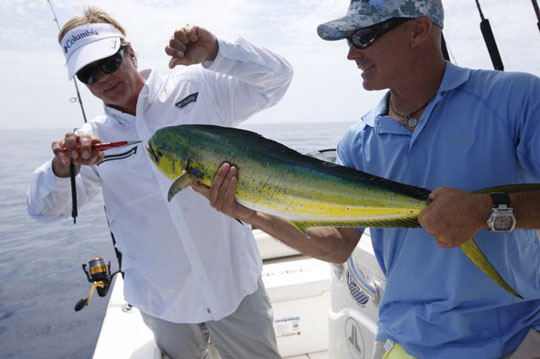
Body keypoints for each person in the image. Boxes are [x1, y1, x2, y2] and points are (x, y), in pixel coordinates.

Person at [192, 0, 540, 358]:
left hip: (515, 336)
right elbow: (339, 243)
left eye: (363, 36)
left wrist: (487, 210)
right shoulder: (359, 141)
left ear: (418, 30)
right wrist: (249, 213)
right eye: (347, 39)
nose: (351, 54)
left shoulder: (516, 98)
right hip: (406, 342)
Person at [26, 6, 293, 359]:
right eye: (89, 74)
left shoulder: (199, 86)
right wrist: (63, 167)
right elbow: (42, 209)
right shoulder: (90, 143)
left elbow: (278, 79)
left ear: (130, 52)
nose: (103, 78)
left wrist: (218, 52)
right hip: (164, 303)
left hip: (234, 283)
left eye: (109, 62)